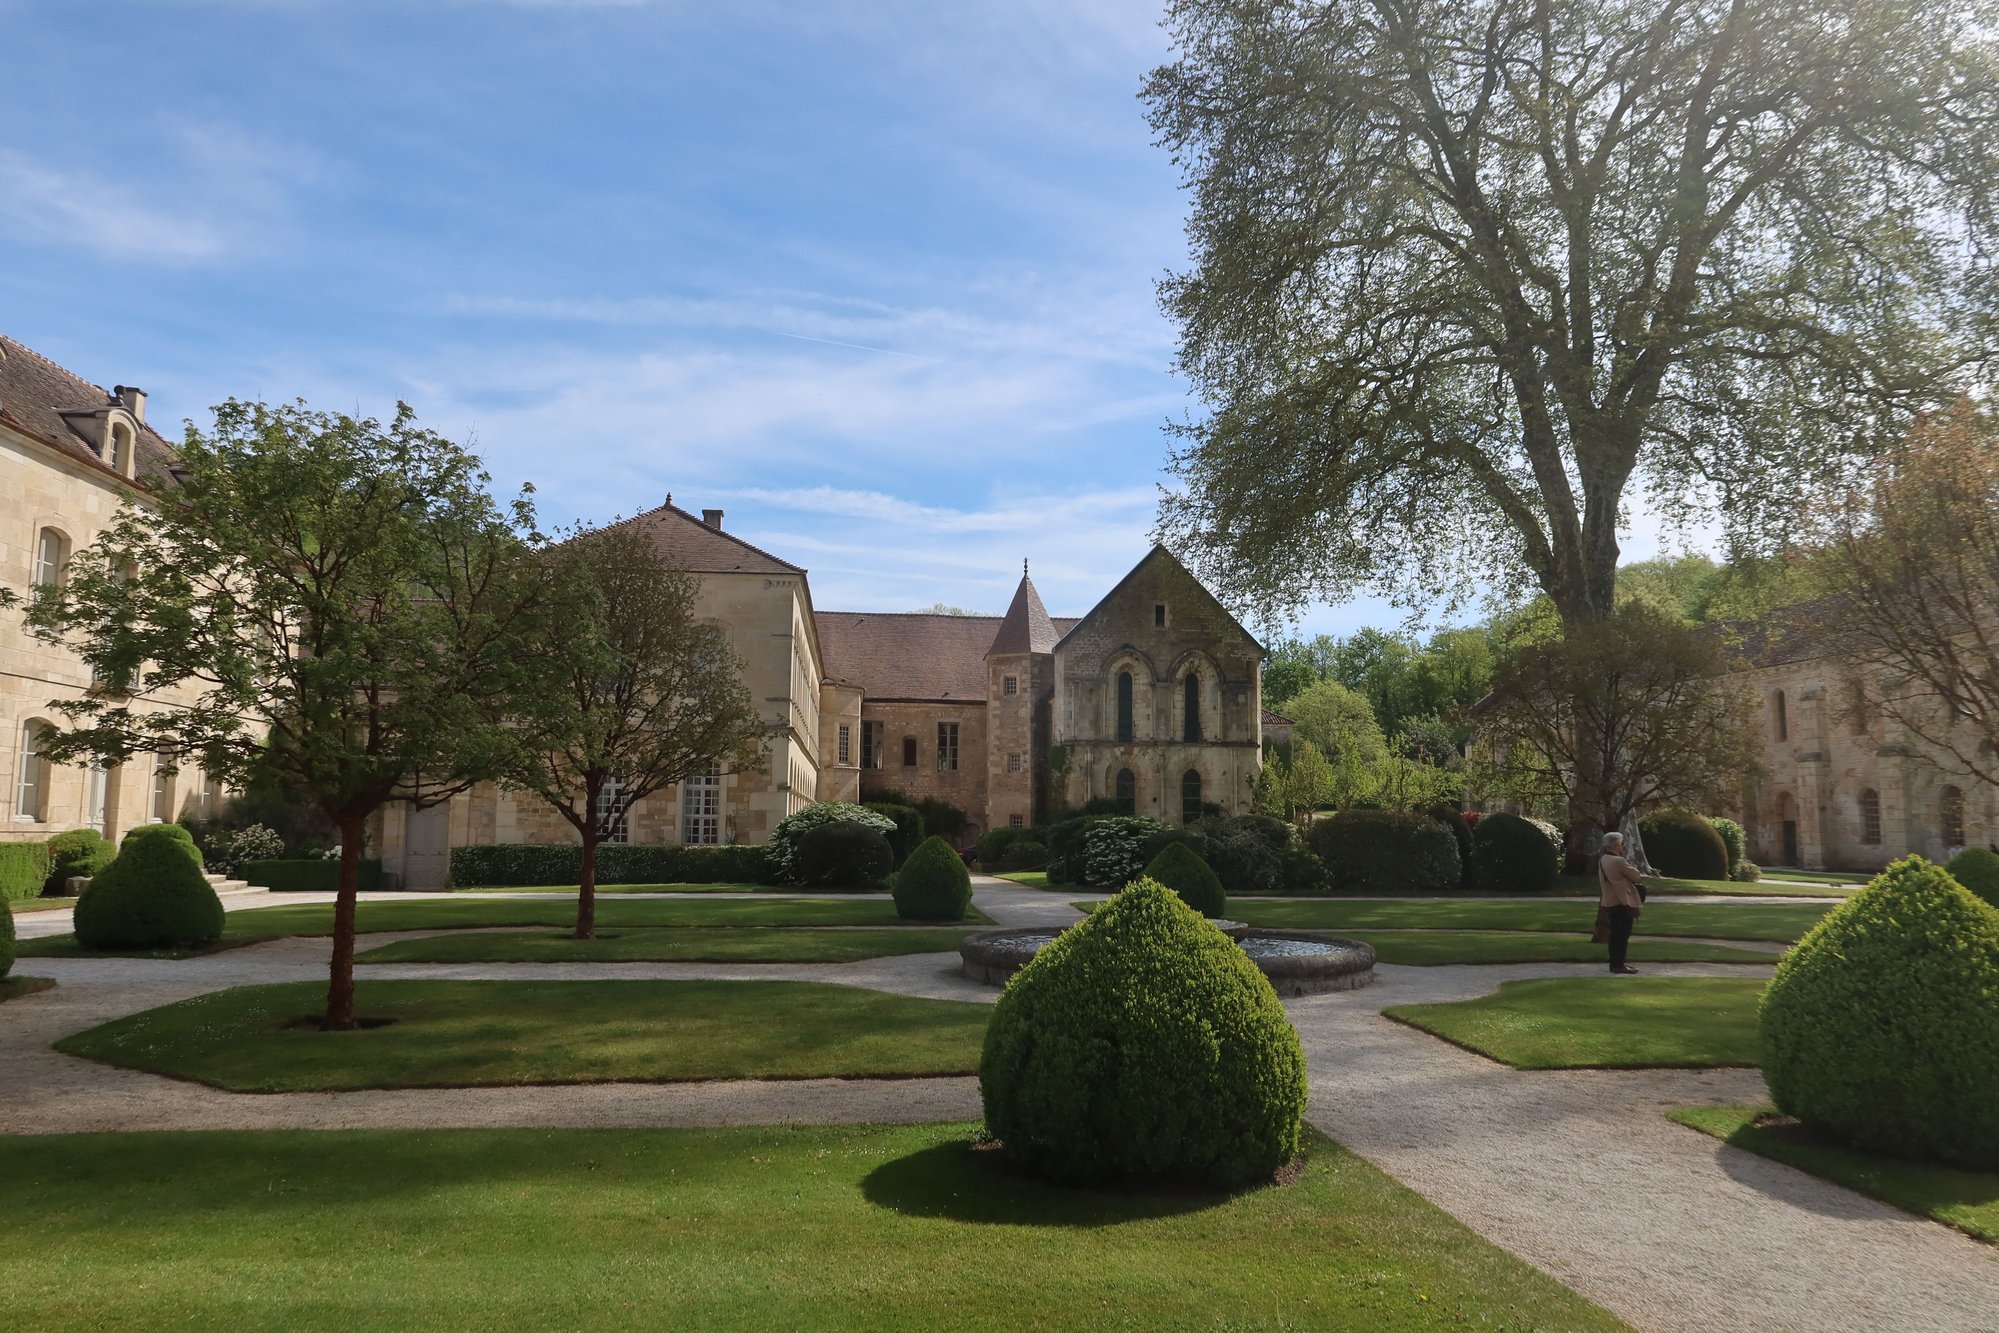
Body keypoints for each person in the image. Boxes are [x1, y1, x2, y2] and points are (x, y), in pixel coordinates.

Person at [1597, 831, 1647, 975]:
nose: (1623, 846)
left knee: (1615, 935)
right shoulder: (1618, 861)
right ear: (1616, 844)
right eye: (1621, 843)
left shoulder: (1603, 859)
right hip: (1622, 901)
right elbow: (1636, 875)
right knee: (1622, 935)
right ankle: (1619, 965)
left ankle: (1616, 963)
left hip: (1611, 901)